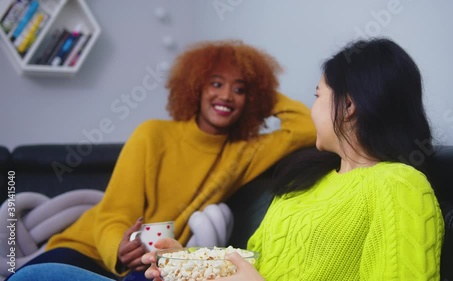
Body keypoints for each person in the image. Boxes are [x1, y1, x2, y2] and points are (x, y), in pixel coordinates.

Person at [6, 40, 316, 281]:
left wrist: (261, 91)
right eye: (216, 83)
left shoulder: (246, 151)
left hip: (152, 266)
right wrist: (119, 247)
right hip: (87, 250)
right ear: (195, 86)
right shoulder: (153, 134)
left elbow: (305, 127)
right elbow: (113, 213)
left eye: (240, 89)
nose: (226, 96)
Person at [142, 37, 445, 280]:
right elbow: (252, 261)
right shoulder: (307, 179)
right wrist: (184, 262)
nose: (312, 108)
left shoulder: (400, 185)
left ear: (348, 104)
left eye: (318, 95)